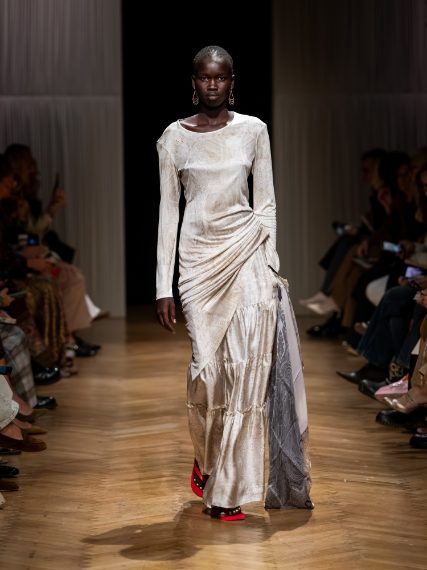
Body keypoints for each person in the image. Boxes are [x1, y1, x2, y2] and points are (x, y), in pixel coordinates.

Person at [155, 45, 312, 522]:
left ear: (231, 82)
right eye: (204, 77)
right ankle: (207, 460)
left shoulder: (254, 131)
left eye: (220, 77)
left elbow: (266, 203)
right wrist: (163, 285)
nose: (212, 85)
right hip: (198, 264)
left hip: (247, 257)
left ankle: (226, 490)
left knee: (245, 375)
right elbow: (168, 212)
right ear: (193, 82)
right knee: (206, 375)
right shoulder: (173, 139)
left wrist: (270, 265)